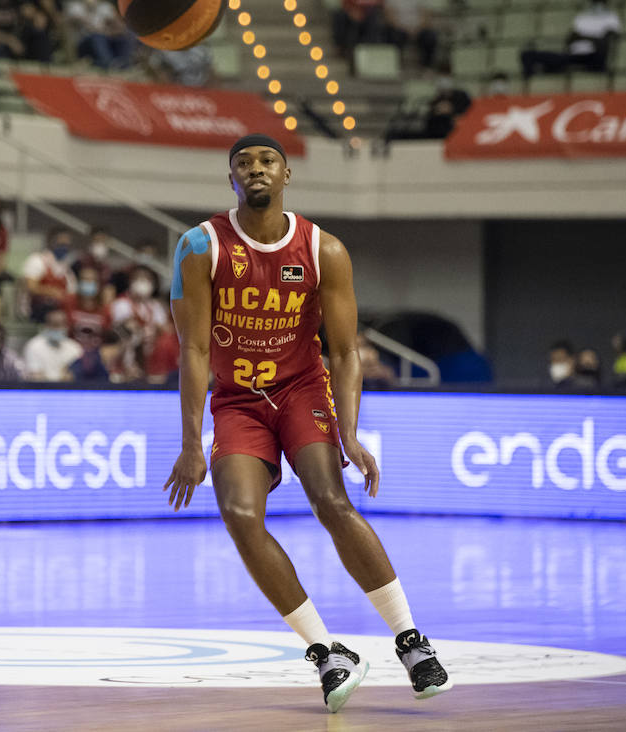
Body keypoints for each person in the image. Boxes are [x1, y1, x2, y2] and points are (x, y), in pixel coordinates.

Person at [163, 134, 451, 714]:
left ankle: (410, 640)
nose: (255, 169)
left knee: (331, 500)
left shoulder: (325, 250)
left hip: (300, 390)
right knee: (240, 516)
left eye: (267, 160)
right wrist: (191, 443)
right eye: (243, 163)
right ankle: (327, 653)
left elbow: (344, 354)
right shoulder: (200, 245)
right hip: (239, 400)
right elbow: (193, 351)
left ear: (287, 174)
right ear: (232, 181)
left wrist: (349, 431)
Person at [23, 307, 84, 381]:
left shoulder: (75, 348)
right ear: (46, 326)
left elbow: (73, 376)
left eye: (62, 324)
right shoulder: (33, 346)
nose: (58, 328)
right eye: (55, 325)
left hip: (67, 390)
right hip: (41, 390)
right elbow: (36, 376)